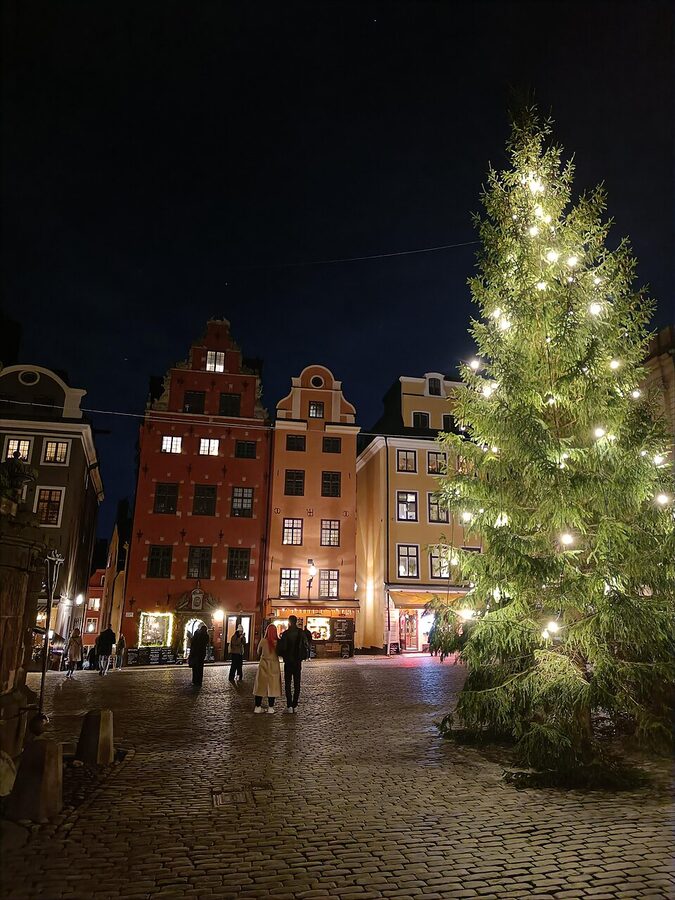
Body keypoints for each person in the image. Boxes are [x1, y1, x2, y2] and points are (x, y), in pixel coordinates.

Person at [276, 615, 309, 713]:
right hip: (297, 661)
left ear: (289, 622)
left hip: (288, 661)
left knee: (288, 684)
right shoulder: (301, 632)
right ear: (296, 622)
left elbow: (282, 648)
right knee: (297, 683)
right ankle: (295, 705)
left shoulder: (286, 633)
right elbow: (306, 644)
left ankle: (289, 705)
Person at [252, 624, 282, 713]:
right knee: (273, 686)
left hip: (264, 664)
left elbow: (258, 652)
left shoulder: (263, 641)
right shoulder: (278, 642)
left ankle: (257, 707)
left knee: (260, 685)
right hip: (274, 665)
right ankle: (271, 708)